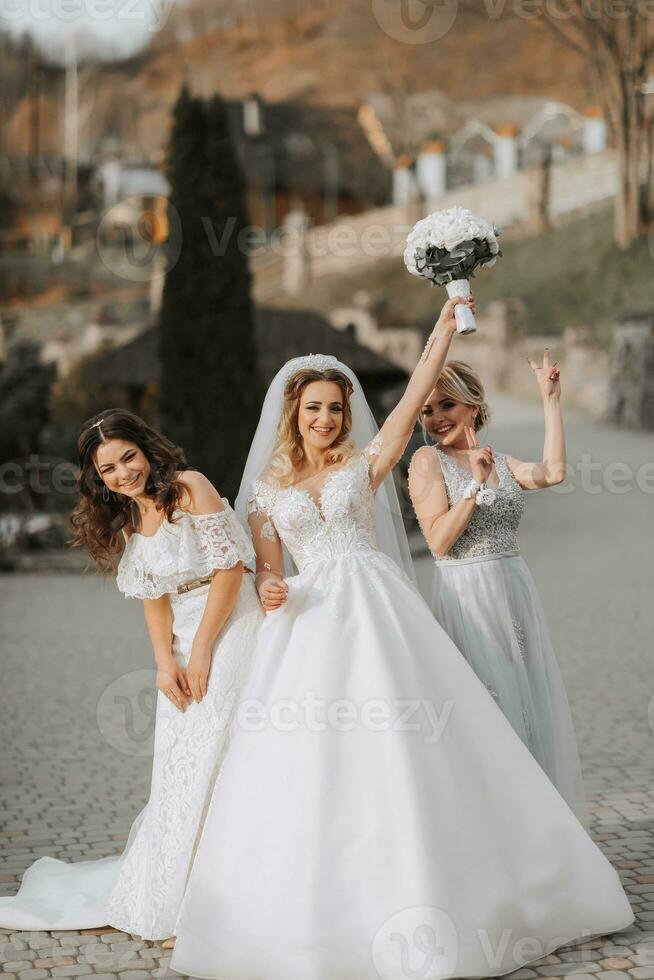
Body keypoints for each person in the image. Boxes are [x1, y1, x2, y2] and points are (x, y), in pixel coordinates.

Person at [170, 300, 633, 980]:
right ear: (293, 417)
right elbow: (268, 573)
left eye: (335, 408)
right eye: (314, 410)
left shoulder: (369, 463)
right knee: (312, 763)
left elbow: (419, 386)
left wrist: (445, 326)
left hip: (380, 612)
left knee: (417, 744)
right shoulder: (268, 492)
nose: (326, 419)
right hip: (309, 622)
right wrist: (270, 590)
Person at [0, 409, 262, 941]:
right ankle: (181, 884)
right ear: (97, 478)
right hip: (183, 641)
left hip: (230, 623)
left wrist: (204, 649)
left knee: (220, 741)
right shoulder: (129, 520)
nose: (124, 473)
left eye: (128, 457)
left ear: (146, 450)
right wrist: (165, 663)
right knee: (178, 759)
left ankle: (240, 882)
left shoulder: (188, 488)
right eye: (109, 469)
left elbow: (230, 570)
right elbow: (153, 600)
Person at [408, 356, 586, 822]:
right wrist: (474, 487)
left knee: (527, 703)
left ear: (473, 407)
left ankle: (538, 820)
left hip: (513, 591)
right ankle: (496, 821)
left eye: (447, 404)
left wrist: (551, 402)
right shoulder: (426, 462)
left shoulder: (500, 460)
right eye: (428, 410)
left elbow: (553, 472)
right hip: (468, 595)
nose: (436, 418)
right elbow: (439, 541)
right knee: (488, 709)